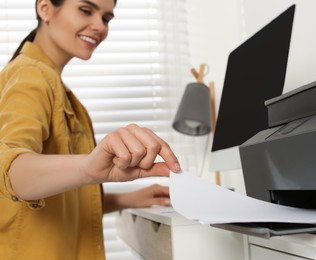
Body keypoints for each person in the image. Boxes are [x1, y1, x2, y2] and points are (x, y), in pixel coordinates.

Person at [0, 0, 181, 259]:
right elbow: (11, 170)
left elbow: (61, 197)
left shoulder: (55, 86)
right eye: (86, 10)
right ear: (45, 8)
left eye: (106, 18)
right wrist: (88, 167)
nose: (99, 26)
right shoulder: (30, 75)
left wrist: (125, 199)